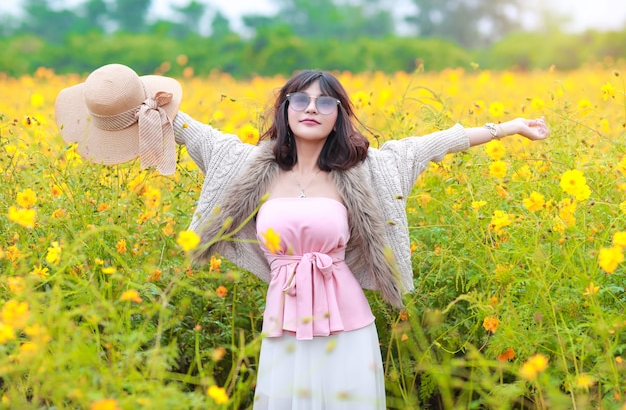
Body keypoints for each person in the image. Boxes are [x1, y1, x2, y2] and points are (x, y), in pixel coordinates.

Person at [55, 64, 549, 409]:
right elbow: (181, 126)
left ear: (339, 114)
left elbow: (435, 145)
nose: (311, 108)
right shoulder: (244, 164)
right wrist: (126, 95)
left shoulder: (369, 168)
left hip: (347, 323)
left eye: (324, 101)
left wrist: (508, 127)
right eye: (300, 99)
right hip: (285, 322)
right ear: (285, 109)